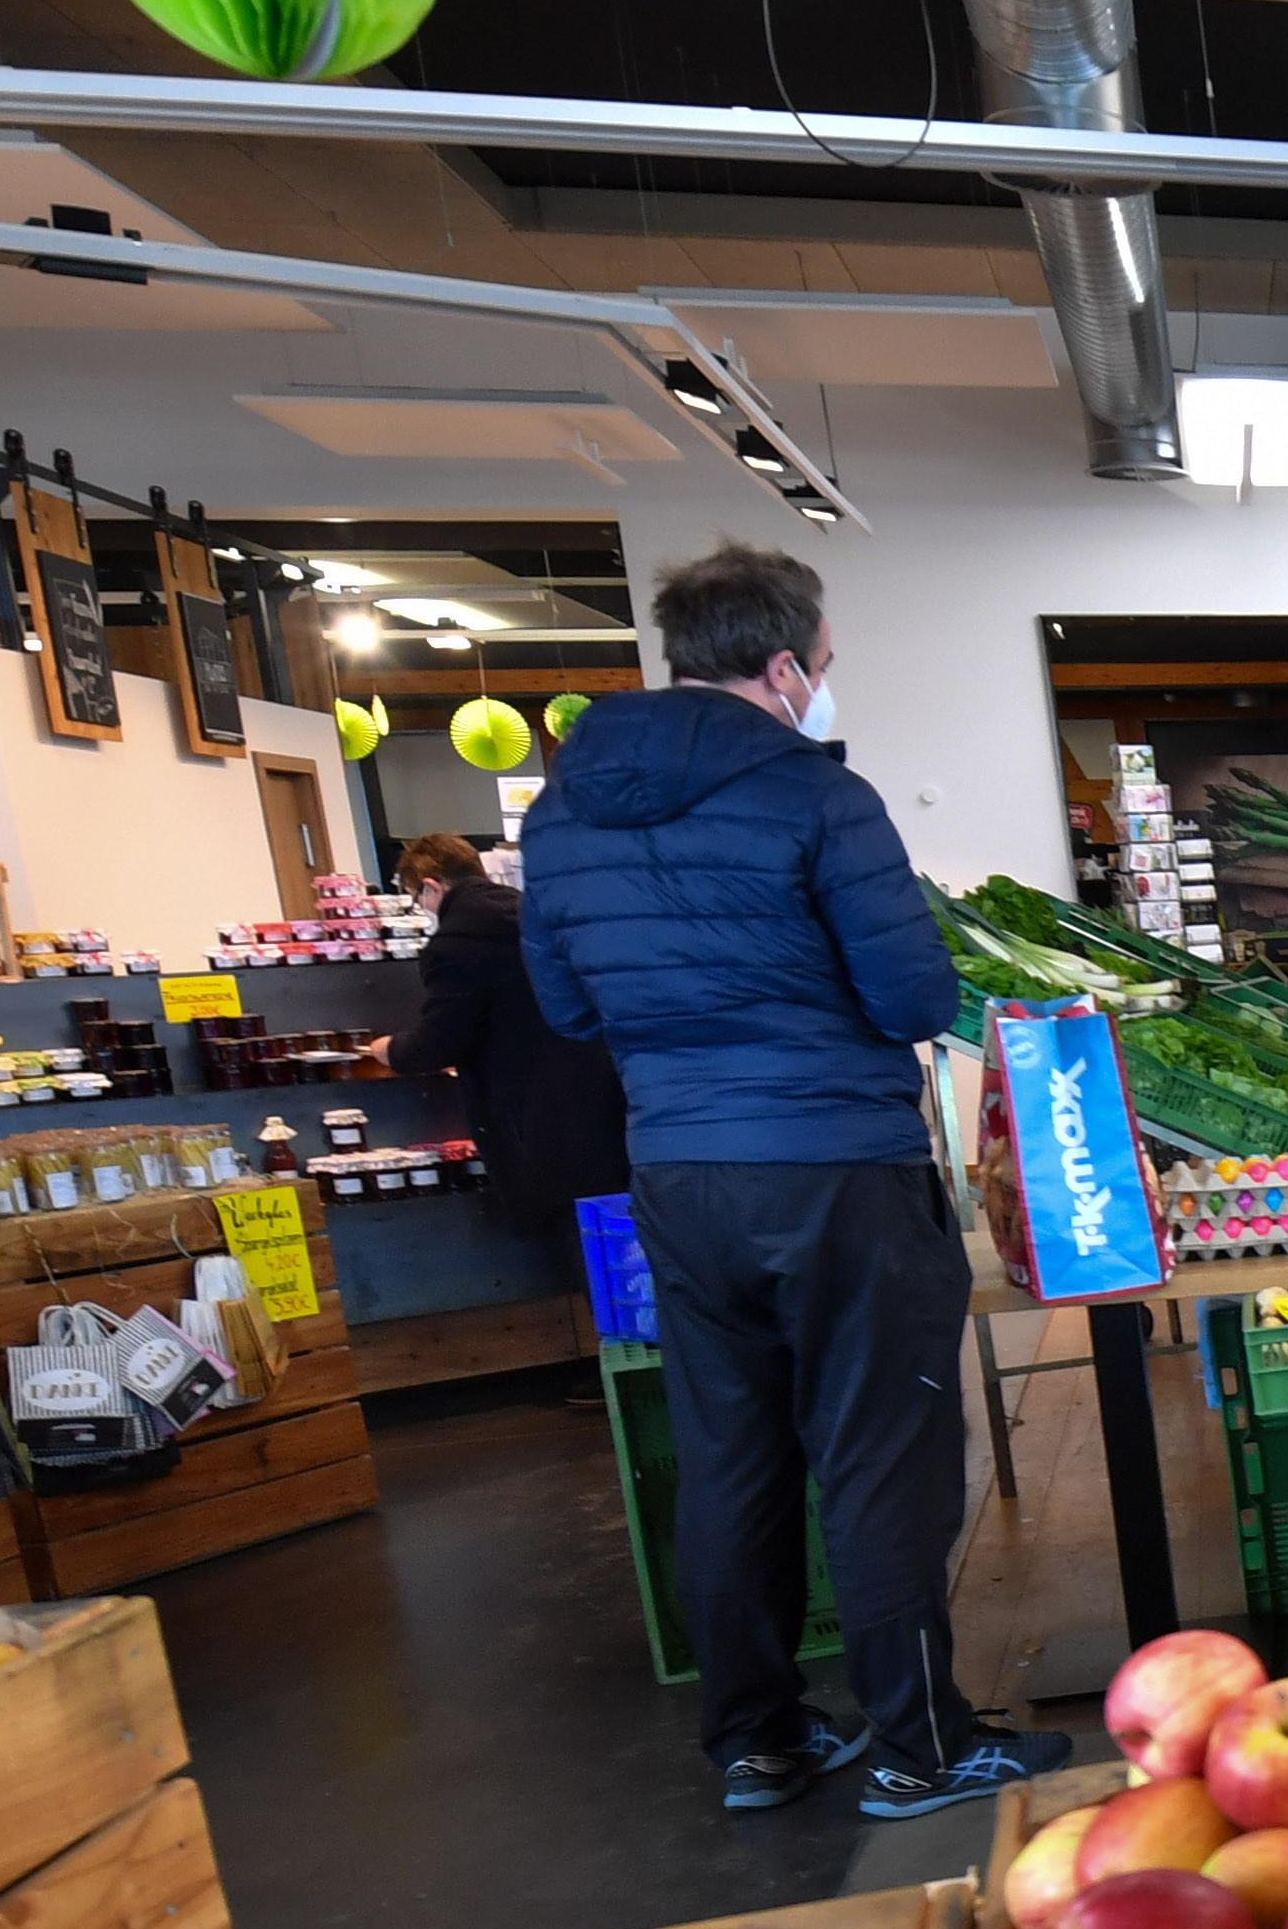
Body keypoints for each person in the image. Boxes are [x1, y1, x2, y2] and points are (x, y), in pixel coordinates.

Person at [521, 542, 1071, 1822]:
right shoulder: (817, 798)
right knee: (879, 1453)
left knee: (731, 1452)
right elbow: (914, 995)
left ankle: (758, 1739)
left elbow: (564, 1003)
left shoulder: (563, 812)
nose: (824, 686)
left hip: (677, 1170)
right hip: (833, 1168)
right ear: (781, 666)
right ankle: (919, 1746)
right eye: (822, 665)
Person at [395, 833, 630, 1248]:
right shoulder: (536, 918)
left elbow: (441, 1040)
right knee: (613, 1244)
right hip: (602, 1100)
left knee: (572, 1244)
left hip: (533, 1117)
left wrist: (391, 1050)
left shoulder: (453, 946)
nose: (425, 910)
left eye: (419, 899)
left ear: (432, 885)